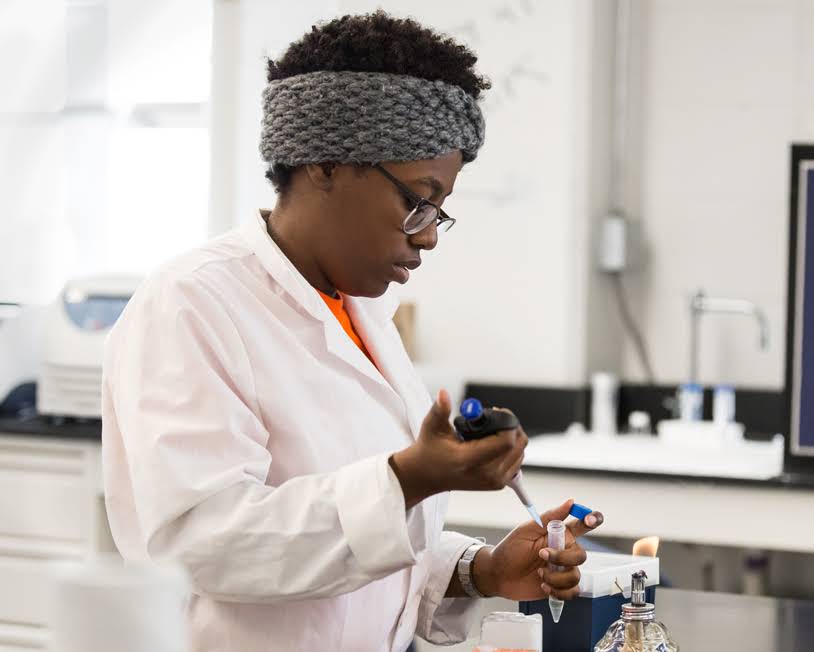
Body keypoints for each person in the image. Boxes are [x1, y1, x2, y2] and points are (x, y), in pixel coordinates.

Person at [101, 11, 603, 652]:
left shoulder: (361, 313)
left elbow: (353, 538)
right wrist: (410, 478)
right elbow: (202, 542)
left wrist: (478, 571)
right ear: (327, 164)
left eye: (439, 211)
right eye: (417, 200)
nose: (426, 235)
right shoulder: (192, 304)